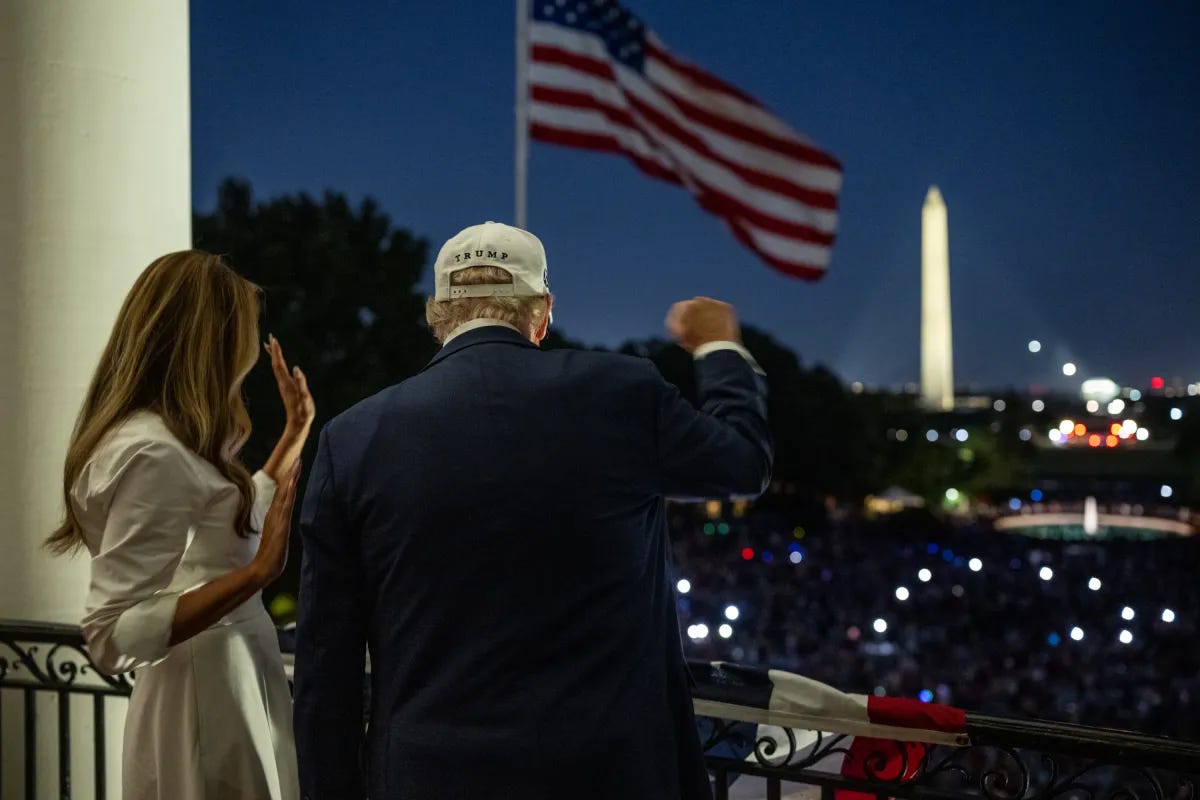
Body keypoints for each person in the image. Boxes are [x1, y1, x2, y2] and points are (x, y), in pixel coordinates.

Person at [293, 221, 772, 799]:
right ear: (542, 311)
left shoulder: (352, 438)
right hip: (608, 774)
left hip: (430, 777)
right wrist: (720, 348)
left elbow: (327, 669)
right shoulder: (620, 393)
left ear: (436, 315)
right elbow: (743, 462)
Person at [47, 250, 313, 800]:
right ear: (209, 341)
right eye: (243, 333)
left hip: (228, 681)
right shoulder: (153, 453)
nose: (247, 349)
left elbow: (222, 533)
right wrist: (258, 574)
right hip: (207, 699)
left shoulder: (172, 441)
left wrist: (295, 433)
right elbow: (109, 636)